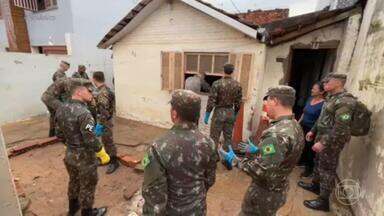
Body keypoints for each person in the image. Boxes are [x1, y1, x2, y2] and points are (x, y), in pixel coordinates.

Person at [220, 86, 304, 216]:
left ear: (275, 101)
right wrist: (259, 150)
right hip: (279, 187)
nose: (265, 104)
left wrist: (236, 161)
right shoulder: (295, 125)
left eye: (267, 100)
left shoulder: (276, 133)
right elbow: (281, 156)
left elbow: (261, 170)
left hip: (264, 194)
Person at [142, 90, 217, 215]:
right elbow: (209, 180)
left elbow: (154, 197)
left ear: (174, 114)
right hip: (199, 210)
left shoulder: (158, 147)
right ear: (197, 115)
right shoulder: (209, 143)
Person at [299, 74, 355, 212]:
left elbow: (341, 128)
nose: (324, 84)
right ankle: (315, 186)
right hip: (322, 136)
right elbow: (322, 118)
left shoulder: (346, 101)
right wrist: (313, 130)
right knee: (318, 163)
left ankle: (323, 201)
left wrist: (324, 142)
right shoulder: (331, 98)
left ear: (337, 83)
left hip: (331, 142)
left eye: (327, 81)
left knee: (327, 170)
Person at [55, 79, 110, 216]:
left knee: (74, 180)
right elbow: (90, 139)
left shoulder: (61, 108)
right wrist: (101, 151)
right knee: (88, 185)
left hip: (70, 155)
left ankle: (73, 209)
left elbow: (58, 133)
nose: (91, 93)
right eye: (88, 90)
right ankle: (88, 212)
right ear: (79, 92)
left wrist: (71, 144)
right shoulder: (84, 113)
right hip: (85, 158)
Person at [204, 63, 242, 153]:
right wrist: (235, 114)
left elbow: (211, 101)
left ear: (223, 71)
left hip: (219, 113)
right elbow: (238, 102)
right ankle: (227, 159)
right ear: (232, 72)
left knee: (214, 137)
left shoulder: (217, 84)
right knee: (228, 138)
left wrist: (207, 115)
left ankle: (214, 158)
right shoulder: (237, 85)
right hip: (230, 112)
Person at [92, 71, 119, 174]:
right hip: (106, 120)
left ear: (94, 79)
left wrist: (100, 124)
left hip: (105, 121)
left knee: (108, 141)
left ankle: (114, 161)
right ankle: (107, 159)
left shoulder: (102, 93)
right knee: (105, 140)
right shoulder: (106, 89)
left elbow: (104, 111)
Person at [298, 82, 325, 177]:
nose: (312, 90)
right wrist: (298, 123)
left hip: (312, 129)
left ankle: (309, 169)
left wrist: (313, 131)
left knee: (310, 149)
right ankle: (301, 161)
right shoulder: (310, 99)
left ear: (321, 92)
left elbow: (320, 119)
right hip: (303, 126)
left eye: (314, 89)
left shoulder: (323, 104)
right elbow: (304, 112)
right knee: (303, 145)